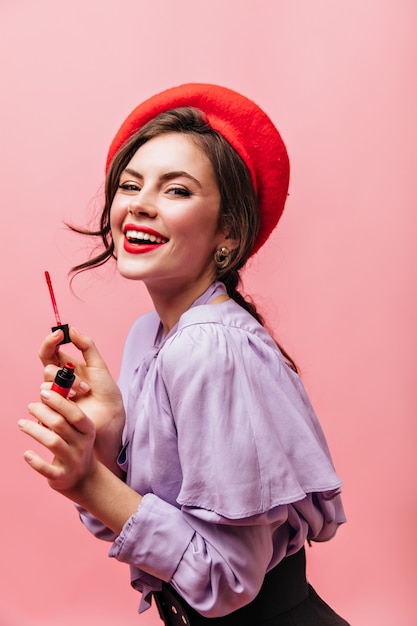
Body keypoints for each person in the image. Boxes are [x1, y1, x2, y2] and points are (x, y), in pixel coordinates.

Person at [19, 83, 350, 625]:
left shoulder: (207, 347)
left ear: (228, 231)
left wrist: (88, 481)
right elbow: (151, 524)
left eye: (176, 191)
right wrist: (106, 437)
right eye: (130, 184)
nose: (139, 205)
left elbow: (228, 578)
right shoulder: (148, 334)